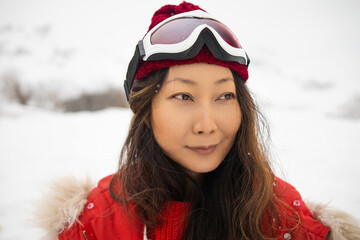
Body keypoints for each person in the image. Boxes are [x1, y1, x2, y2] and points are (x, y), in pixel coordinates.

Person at [36, 2, 360, 240]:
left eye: (224, 97)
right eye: (183, 97)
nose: (207, 125)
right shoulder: (98, 221)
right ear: (146, 111)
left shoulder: (280, 213)